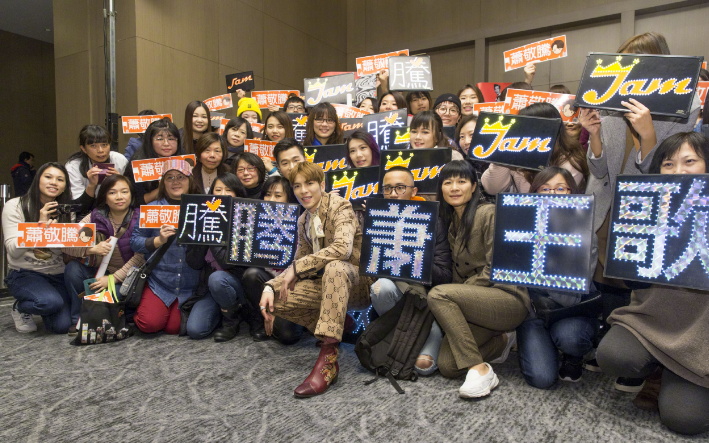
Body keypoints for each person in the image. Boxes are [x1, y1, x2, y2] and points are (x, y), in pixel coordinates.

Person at [578, 32, 702, 392]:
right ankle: (613, 340)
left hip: (648, 209)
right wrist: (594, 136)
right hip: (607, 203)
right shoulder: (608, 101)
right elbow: (598, 169)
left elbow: (666, 171)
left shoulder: (683, 103)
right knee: (604, 274)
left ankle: (647, 358)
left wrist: (647, 135)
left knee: (637, 278)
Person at [596, 132, 709, 436]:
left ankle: (677, 373)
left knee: (684, 420)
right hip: (653, 320)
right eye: (668, 164)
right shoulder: (645, 204)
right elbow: (630, 279)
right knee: (612, 355)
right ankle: (657, 370)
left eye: (689, 161)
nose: (678, 171)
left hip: (701, 335)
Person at [259, 161, 372, 398]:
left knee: (334, 267)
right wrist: (270, 286)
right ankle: (339, 325)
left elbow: (342, 249)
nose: (303, 191)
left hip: (358, 283)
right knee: (275, 299)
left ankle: (328, 359)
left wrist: (298, 267)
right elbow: (298, 261)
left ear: (321, 185)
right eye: (297, 186)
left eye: (309, 183)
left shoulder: (340, 206)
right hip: (328, 287)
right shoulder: (303, 220)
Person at [427, 160, 529, 398]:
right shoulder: (449, 223)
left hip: (507, 298)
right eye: (448, 182)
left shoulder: (488, 213)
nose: (454, 187)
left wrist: (459, 292)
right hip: (475, 305)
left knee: (439, 294)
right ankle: (504, 340)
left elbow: (495, 268)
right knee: (448, 366)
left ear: (474, 187)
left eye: (461, 181)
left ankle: (480, 369)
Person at [515, 166, 599, 388]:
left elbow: (570, 298)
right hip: (533, 312)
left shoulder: (584, 234)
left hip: (569, 311)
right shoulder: (521, 228)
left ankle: (573, 355)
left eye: (561, 188)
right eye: (545, 189)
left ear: (572, 193)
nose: (552, 194)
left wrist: (544, 265)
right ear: (534, 193)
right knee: (542, 378)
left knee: (571, 339)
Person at [369, 166, 453, 375]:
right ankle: (399, 341)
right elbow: (372, 270)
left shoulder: (434, 221)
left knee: (424, 367)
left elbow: (444, 275)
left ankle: (416, 341)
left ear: (413, 191)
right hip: (395, 302)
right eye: (387, 189)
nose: (393, 194)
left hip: (424, 303)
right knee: (380, 287)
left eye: (400, 187)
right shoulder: (377, 219)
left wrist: (413, 258)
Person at [63, 174, 145, 332]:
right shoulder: (95, 216)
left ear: (131, 195)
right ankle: (78, 318)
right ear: (105, 197)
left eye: (124, 192)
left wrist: (113, 279)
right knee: (73, 269)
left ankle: (110, 312)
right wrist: (91, 249)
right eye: (112, 192)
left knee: (109, 299)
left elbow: (141, 257)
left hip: (129, 277)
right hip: (101, 272)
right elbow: (67, 244)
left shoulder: (141, 216)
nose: (119, 197)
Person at [129, 159, 201, 334]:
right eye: (170, 177)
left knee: (174, 328)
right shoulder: (152, 208)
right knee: (150, 324)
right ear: (163, 182)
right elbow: (135, 242)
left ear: (190, 180)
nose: (175, 181)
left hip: (190, 283)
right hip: (159, 282)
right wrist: (158, 240)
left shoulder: (201, 207)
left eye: (181, 177)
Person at [3, 162, 74, 334]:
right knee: (50, 302)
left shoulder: (66, 210)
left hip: (57, 274)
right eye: (48, 177)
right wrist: (39, 227)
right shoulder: (15, 206)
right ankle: (20, 308)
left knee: (63, 326)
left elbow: (65, 250)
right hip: (25, 273)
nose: (54, 182)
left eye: (60, 179)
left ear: (65, 186)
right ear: (38, 180)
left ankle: (44, 301)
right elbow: (13, 250)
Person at [184, 173, 251, 341]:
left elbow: (227, 264)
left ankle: (231, 321)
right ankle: (224, 311)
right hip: (209, 287)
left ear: (237, 193)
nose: (222, 194)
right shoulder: (202, 216)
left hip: (237, 284)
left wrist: (212, 233)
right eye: (218, 190)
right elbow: (193, 263)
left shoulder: (245, 219)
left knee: (217, 279)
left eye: (228, 190)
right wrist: (203, 227)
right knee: (195, 330)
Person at [241, 175, 304, 343]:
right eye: (267, 195)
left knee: (287, 336)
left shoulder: (302, 221)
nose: (271, 200)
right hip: (267, 282)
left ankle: (292, 319)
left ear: (289, 198)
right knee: (251, 274)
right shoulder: (255, 220)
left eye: (278, 195)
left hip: (293, 286)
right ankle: (264, 318)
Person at [481, 103, 588, 194]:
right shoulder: (516, 151)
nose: (522, 132)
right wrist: (501, 155)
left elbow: (547, 198)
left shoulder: (570, 159)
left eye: (526, 127)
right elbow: (492, 189)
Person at [127, 118, 185, 206]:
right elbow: (134, 201)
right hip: (149, 210)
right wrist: (161, 189)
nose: (166, 143)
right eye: (160, 139)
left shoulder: (185, 159)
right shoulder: (139, 163)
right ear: (150, 141)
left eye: (171, 139)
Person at [65, 125, 128, 204]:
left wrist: (120, 181)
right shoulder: (73, 167)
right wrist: (92, 185)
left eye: (104, 145)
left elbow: (132, 195)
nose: (100, 150)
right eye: (93, 146)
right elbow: (79, 206)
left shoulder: (120, 160)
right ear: (83, 149)